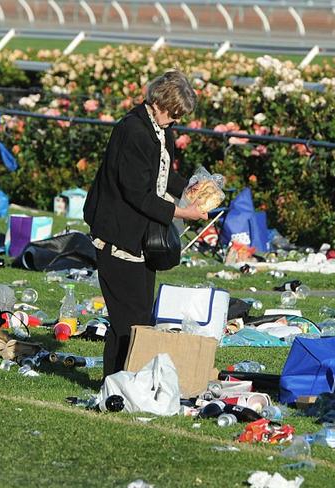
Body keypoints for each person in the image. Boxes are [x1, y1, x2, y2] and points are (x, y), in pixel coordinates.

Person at [83, 70, 208, 378]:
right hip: (118, 235)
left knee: (138, 316)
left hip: (140, 237)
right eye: (174, 113)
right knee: (128, 318)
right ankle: (118, 380)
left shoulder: (160, 130)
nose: (175, 120)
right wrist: (182, 213)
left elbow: (161, 177)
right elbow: (137, 193)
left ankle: (122, 378)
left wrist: (192, 189)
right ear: (157, 102)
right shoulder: (134, 131)